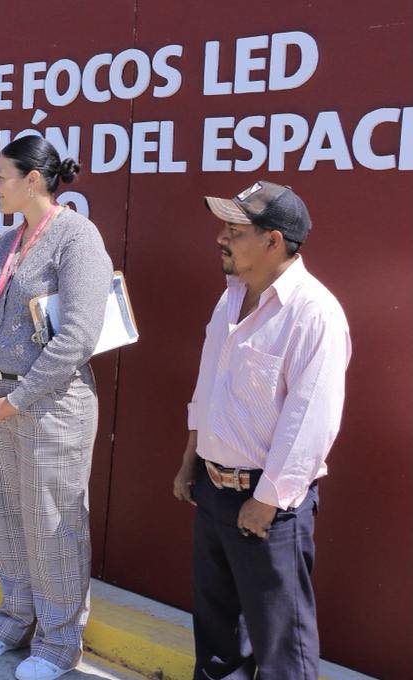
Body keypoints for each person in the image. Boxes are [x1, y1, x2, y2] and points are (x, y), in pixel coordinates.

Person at [172, 181, 351, 679]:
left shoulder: (313, 314)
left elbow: (310, 420)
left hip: (269, 509)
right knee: (217, 637)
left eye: (235, 229)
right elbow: (208, 387)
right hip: (213, 491)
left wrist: (267, 500)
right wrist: (192, 460)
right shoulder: (230, 299)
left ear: (274, 241)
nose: (220, 238)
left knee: (281, 650)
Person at [0, 137, 112, 680]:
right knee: (11, 516)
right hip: (0, 400)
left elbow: (77, 335)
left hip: (54, 405)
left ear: (33, 180)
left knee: (53, 523)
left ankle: (57, 642)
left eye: (1, 176)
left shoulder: (78, 238)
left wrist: (18, 399)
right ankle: (12, 619)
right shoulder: (8, 242)